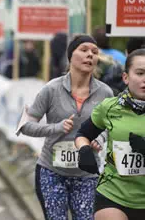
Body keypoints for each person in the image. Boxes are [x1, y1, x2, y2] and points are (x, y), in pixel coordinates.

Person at [18, 35, 113, 220]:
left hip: (87, 175)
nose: (90, 55)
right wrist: (55, 128)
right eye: (84, 50)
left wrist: (98, 138)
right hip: (51, 173)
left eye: (94, 52)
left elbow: (110, 127)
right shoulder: (51, 89)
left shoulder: (105, 92)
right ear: (71, 57)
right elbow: (25, 126)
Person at [75, 49, 145, 220]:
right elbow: (82, 134)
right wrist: (84, 150)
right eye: (140, 73)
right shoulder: (109, 107)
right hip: (112, 194)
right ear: (126, 77)